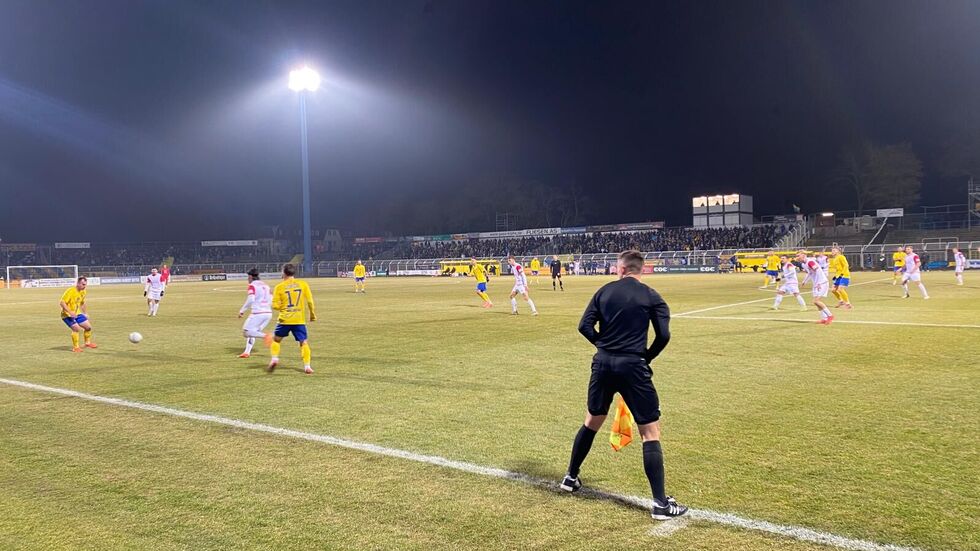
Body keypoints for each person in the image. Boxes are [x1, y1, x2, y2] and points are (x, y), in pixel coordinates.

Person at [560, 250, 687, 521]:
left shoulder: (603, 291)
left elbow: (584, 326)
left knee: (591, 421)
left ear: (621, 269)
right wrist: (646, 356)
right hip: (633, 366)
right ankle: (660, 505)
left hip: (603, 364)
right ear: (640, 269)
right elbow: (663, 335)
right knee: (650, 432)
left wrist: (603, 346)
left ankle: (570, 477)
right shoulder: (652, 296)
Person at [269, 263, 317, 374]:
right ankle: (307, 366)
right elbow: (310, 301)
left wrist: (284, 307)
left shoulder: (279, 287)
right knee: (303, 342)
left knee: (276, 340)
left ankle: (275, 358)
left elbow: (275, 305)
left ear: (283, 273)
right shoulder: (303, 284)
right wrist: (312, 314)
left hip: (284, 320)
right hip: (299, 320)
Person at [238, 268, 274, 358]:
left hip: (258, 313)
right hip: (268, 313)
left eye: (248, 277)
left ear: (250, 277)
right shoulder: (266, 285)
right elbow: (272, 298)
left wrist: (242, 310)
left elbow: (251, 299)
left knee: (246, 332)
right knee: (253, 331)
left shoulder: (252, 285)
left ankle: (266, 336)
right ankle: (247, 352)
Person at [60, 276, 97, 352]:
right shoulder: (70, 291)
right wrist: (70, 312)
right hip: (67, 315)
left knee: (88, 327)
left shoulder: (83, 291)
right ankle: (76, 347)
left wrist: (85, 313)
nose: (84, 286)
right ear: (78, 283)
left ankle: (87, 343)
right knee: (76, 329)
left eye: (85, 284)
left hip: (77, 313)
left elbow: (82, 303)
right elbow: (62, 303)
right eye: (83, 284)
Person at [797, 250, 834, 324]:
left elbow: (817, 270)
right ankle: (824, 318)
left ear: (804, 255)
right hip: (817, 284)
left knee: (816, 301)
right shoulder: (804, 264)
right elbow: (810, 273)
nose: (797, 257)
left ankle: (830, 315)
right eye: (797, 256)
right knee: (816, 302)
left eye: (798, 255)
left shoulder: (810, 262)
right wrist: (804, 281)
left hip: (821, 283)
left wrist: (819, 283)